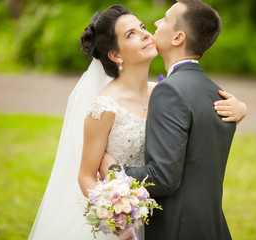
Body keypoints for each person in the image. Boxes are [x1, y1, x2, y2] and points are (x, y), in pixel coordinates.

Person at [29, 3, 246, 240]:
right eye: (131, 34)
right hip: (125, 219)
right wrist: (116, 215)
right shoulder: (104, 106)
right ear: (115, 55)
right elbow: (86, 174)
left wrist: (241, 109)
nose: (145, 32)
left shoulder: (164, 92)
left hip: (163, 219)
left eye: (141, 27)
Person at [100, 0, 237, 239]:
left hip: (178, 230)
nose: (155, 23)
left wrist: (114, 171)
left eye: (164, 19)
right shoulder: (217, 93)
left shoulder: (169, 91)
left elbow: (163, 178)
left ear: (178, 38)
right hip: (212, 227)